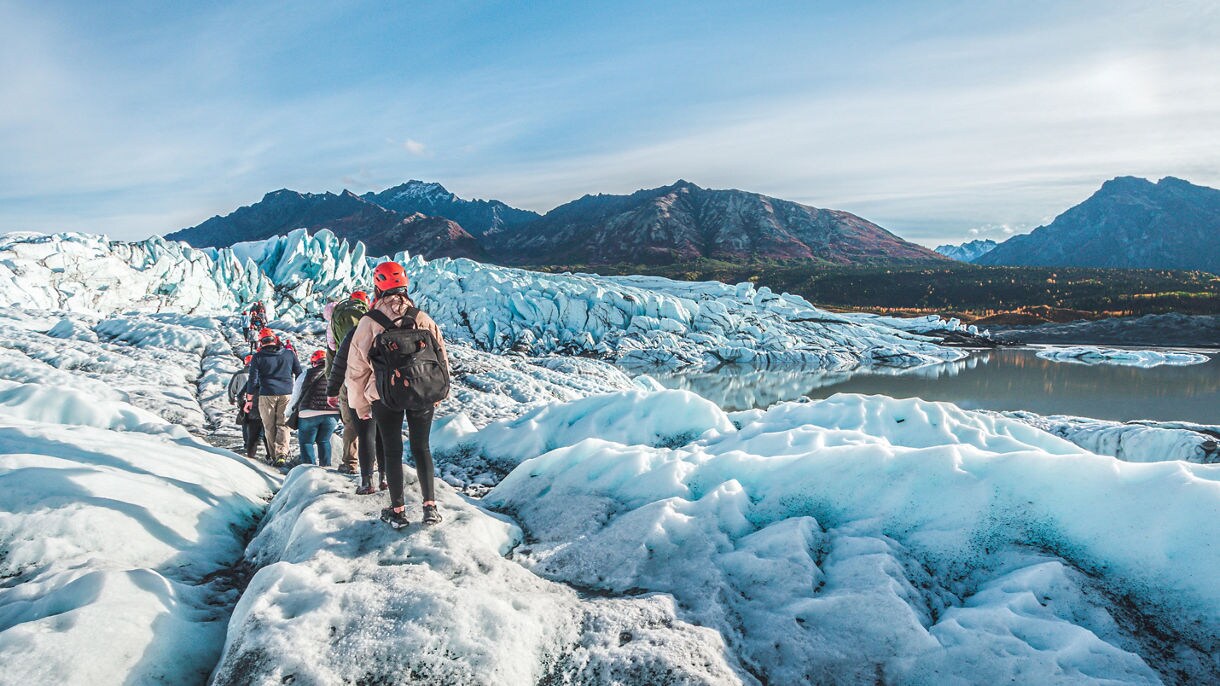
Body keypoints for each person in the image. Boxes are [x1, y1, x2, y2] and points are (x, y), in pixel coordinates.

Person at [347, 261, 449, 527]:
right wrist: (438, 390)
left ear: (377, 287)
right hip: (422, 391)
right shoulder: (421, 317)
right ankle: (430, 508)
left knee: (392, 450)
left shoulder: (369, 322)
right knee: (422, 448)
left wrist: (360, 405)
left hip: (384, 394)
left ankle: (398, 511)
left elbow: (356, 369)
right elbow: (440, 357)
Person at [328, 325, 386, 494]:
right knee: (384, 434)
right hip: (385, 389)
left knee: (366, 433)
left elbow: (340, 361)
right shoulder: (396, 325)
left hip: (359, 388)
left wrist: (332, 390)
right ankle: (384, 479)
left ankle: (367, 482)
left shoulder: (357, 329)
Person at [245, 327, 301, 467]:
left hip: (267, 394)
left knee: (269, 426)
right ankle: (282, 453)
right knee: (283, 424)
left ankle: (273, 455)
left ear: (261, 342)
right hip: (287, 393)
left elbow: (253, 380)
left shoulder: (258, 357)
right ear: (275, 339)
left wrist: (249, 400)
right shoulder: (289, 354)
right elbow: (300, 374)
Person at [328, 290, 371, 473]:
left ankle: (350, 462)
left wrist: (332, 386)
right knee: (374, 420)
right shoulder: (371, 318)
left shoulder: (337, 321)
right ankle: (375, 464)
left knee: (351, 422)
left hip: (347, 377)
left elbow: (332, 352)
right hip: (370, 375)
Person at [290, 350, 339, 467]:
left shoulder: (306, 374)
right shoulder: (336, 373)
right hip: (332, 411)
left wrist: (290, 411)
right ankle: (325, 468)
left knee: (307, 442)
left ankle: (309, 469)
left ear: (313, 362)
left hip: (309, 411)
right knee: (324, 440)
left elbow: (296, 395)